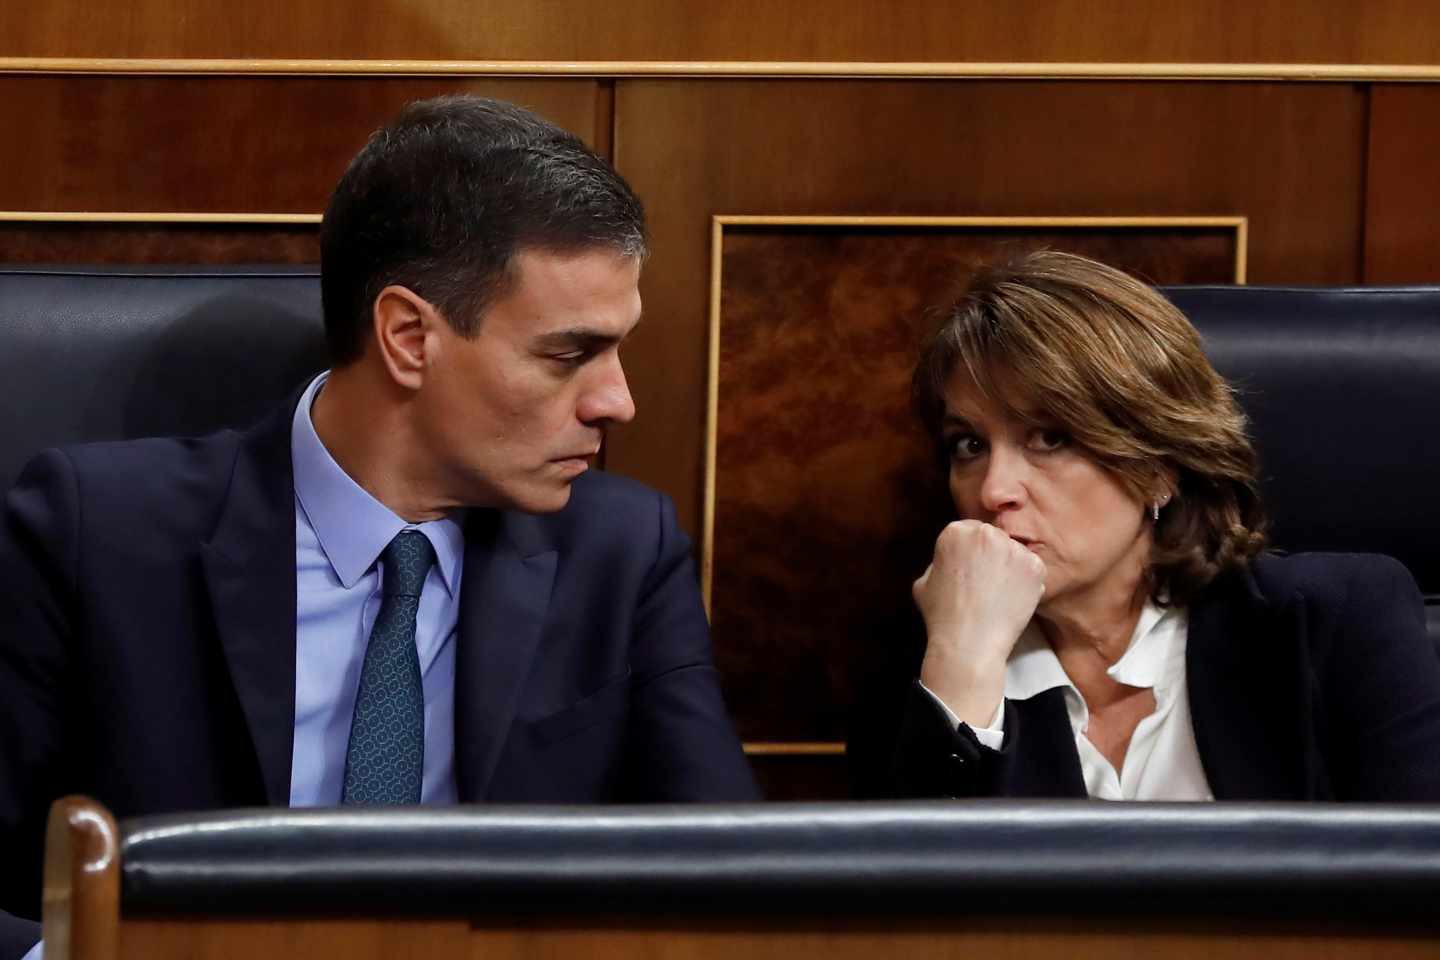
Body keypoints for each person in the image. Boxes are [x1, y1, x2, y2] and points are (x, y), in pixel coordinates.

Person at [0, 95, 757, 958]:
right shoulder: (97, 534)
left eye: (619, 351)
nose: (616, 402)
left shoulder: (622, 554)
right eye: (568, 354)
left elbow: (730, 889)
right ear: (407, 337)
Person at [850, 250, 1440, 802]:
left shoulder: (1334, 623)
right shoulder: (926, 666)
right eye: (969, 444)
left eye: (1051, 438)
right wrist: (962, 673)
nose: (994, 490)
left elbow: (1414, 878)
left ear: (1160, 466)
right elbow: (917, 903)